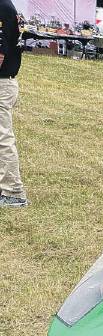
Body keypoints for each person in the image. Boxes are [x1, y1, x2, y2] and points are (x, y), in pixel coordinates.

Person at [0, 0, 26, 207]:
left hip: (2, 83)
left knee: (3, 138)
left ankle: (13, 193)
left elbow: (0, 52)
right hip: (5, 82)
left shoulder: (1, 6)